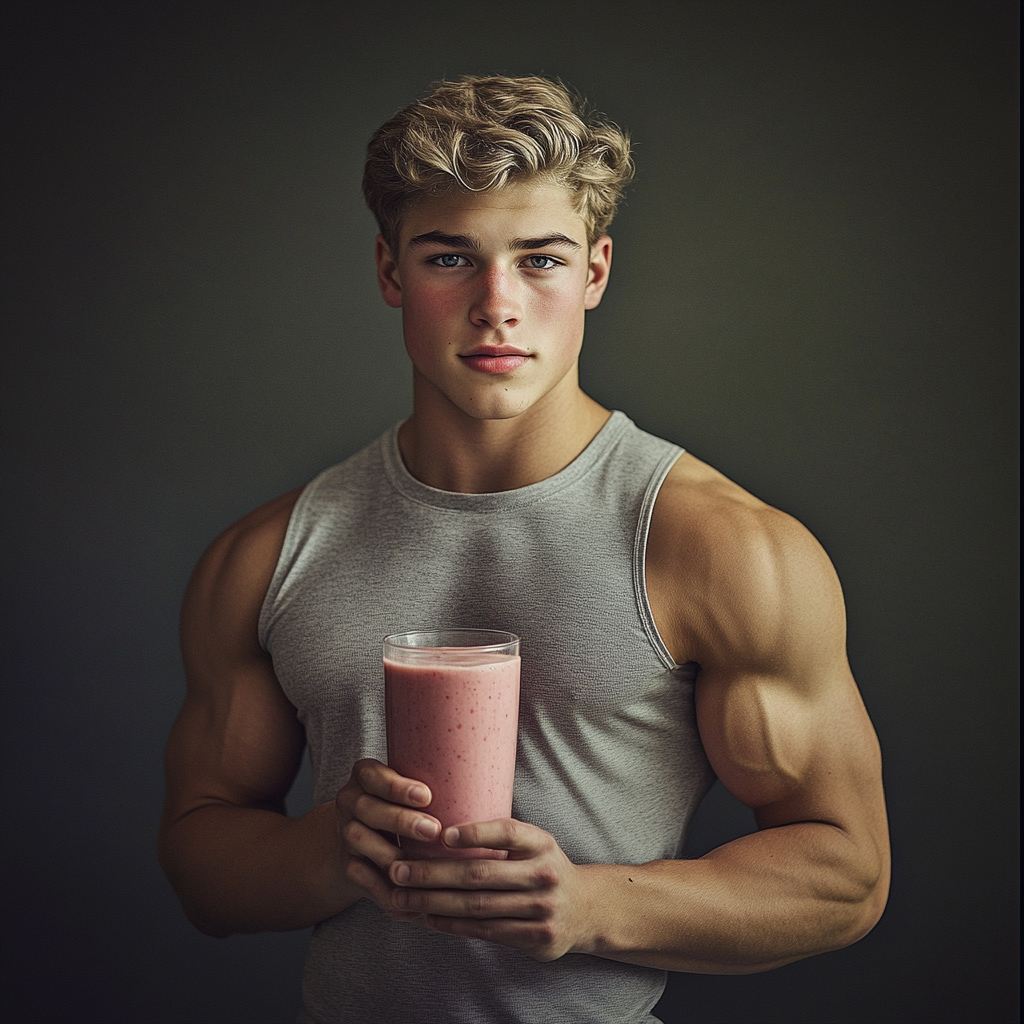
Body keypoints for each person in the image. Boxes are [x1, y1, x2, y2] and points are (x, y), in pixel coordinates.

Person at [158, 75, 890, 1023]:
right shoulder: (266, 557)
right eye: (450, 258)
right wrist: (327, 853)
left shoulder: (726, 549)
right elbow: (200, 865)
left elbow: (845, 875)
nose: (496, 304)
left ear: (595, 272)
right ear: (390, 273)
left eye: (540, 259)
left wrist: (593, 907)